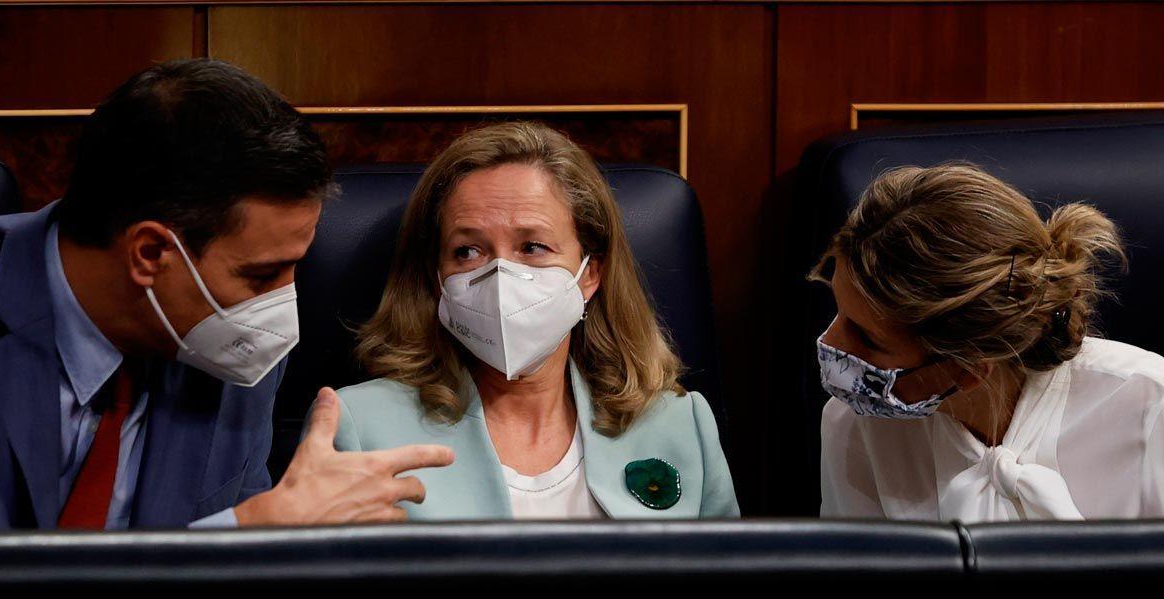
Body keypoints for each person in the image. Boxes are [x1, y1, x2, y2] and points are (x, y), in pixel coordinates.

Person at [0, 59, 451, 530]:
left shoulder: (236, 348)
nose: (281, 309)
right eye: (261, 276)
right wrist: (250, 533)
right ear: (150, 252)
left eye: (293, 269)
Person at [327, 121, 738, 519]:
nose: (500, 276)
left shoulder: (679, 423)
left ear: (590, 273)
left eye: (533, 246)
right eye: (468, 251)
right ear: (437, 279)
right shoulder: (361, 427)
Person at [814, 163, 1164, 522]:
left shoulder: (1151, 406)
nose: (831, 342)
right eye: (838, 312)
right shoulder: (852, 425)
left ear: (969, 370)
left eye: (868, 339)